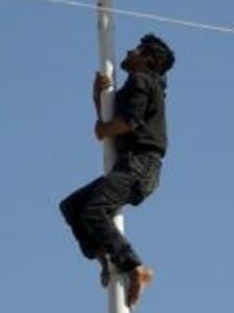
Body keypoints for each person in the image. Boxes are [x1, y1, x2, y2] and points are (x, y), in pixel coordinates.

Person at [59, 33, 175, 308]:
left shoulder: (142, 79)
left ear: (147, 59)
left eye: (137, 49)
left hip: (140, 164)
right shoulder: (137, 84)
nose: (129, 51)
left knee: (93, 210)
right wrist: (98, 97)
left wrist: (102, 130)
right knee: (72, 206)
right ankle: (107, 258)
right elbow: (112, 120)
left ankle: (135, 268)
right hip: (131, 164)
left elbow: (128, 123)